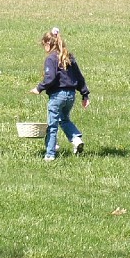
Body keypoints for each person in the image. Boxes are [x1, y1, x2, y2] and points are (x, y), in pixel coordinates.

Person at [29, 27, 90, 161]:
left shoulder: (51, 59)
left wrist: (39, 88)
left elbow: (50, 78)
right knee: (64, 119)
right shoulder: (69, 57)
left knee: (52, 125)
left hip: (57, 96)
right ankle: (76, 139)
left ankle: (50, 154)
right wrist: (85, 94)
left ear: (48, 44)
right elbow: (79, 77)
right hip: (71, 95)